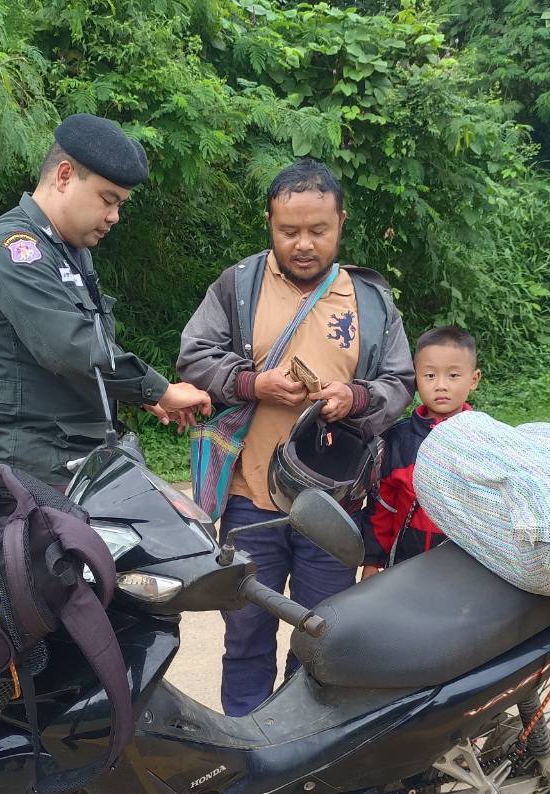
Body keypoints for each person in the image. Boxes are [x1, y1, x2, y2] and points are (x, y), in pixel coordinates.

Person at [177, 159, 414, 715]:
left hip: (334, 504)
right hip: (251, 501)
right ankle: (246, 746)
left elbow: (400, 381)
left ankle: (300, 746)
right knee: (245, 636)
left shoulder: (371, 301)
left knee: (321, 636)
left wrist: (355, 398)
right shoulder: (238, 286)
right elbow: (194, 356)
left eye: (318, 230)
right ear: (269, 224)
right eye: (289, 231)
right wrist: (252, 383)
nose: (303, 244)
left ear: (341, 223)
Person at [0, 114, 212, 487]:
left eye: (120, 205)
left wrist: (140, 395)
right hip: (32, 474)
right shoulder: (15, 250)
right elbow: (70, 348)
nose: (114, 217)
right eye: (107, 200)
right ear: (64, 176)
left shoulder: (72, 252)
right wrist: (158, 388)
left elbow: (93, 349)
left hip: (77, 460)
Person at [361, 325, 481, 578]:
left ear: (474, 379)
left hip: (466, 569)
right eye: (429, 376)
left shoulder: (486, 440)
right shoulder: (397, 440)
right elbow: (382, 506)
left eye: (453, 375)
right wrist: (373, 561)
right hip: (405, 565)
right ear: (415, 379)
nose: (441, 386)